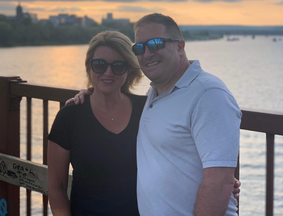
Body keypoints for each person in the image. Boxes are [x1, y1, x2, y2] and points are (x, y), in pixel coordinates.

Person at [69, 13, 242, 216]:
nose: (147, 53)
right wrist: (92, 94)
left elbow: (219, 181)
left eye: (156, 43)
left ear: (180, 46)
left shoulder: (208, 94)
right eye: (139, 48)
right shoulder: (153, 95)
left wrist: (226, 179)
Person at [47, 30, 145, 216]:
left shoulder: (146, 111)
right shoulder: (69, 117)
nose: (108, 72)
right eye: (99, 65)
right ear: (89, 67)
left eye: (118, 65)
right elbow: (56, 187)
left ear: (128, 69)